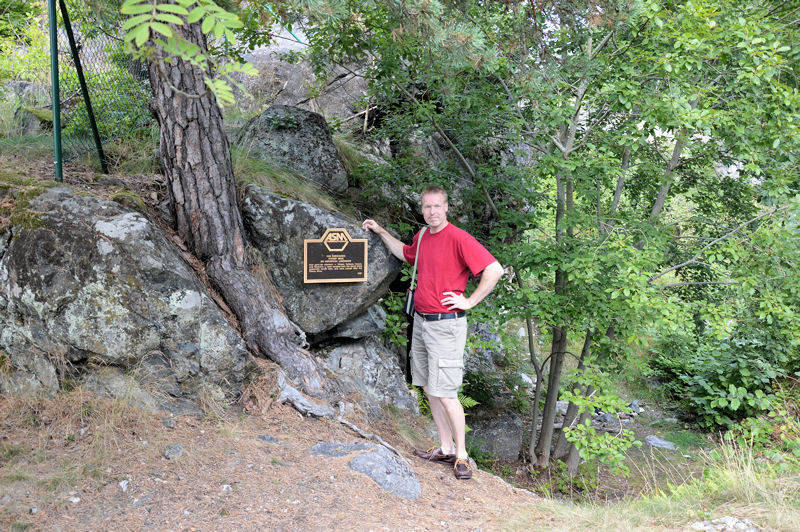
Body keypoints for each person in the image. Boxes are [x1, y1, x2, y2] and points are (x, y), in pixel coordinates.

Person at [362, 185, 503, 480]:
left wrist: (469, 300)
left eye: (437, 206)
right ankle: (445, 447)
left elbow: (494, 270)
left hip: (447, 326)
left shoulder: (459, 238)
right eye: (427, 207)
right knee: (428, 386)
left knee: (447, 392)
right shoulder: (423, 236)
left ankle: (462, 456)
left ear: (447, 207)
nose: (432, 212)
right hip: (423, 323)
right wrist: (380, 231)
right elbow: (405, 253)